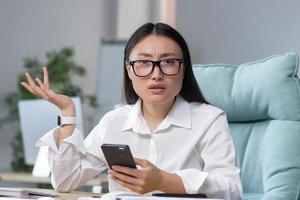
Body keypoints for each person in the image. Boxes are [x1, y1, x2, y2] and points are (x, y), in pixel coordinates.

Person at [21, 22, 242, 199]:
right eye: (144, 63)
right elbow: (65, 181)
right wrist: (68, 113)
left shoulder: (210, 120)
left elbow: (231, 190)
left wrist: (164, 181)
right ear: (129, 69)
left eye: (168, 62)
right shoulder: (114, 121)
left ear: (183, 69)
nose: (156, 74)